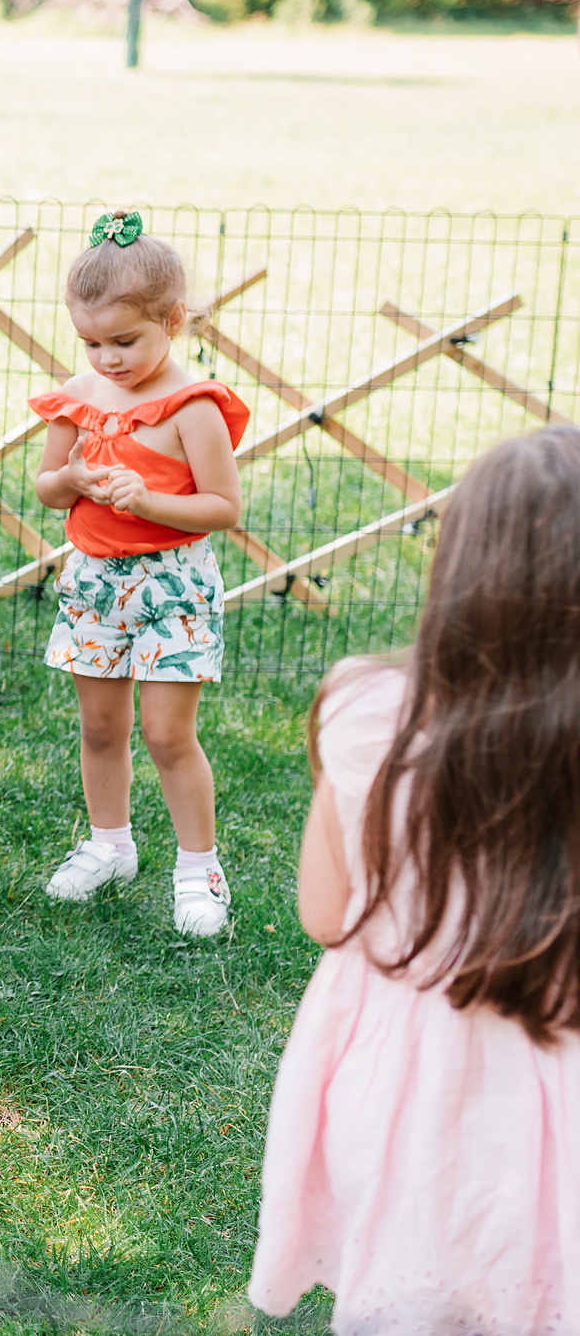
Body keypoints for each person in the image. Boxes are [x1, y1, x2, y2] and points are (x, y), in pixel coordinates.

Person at [251, 425, 580, 1331]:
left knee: (419, 1285)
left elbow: (325, 913)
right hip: (561, 1073)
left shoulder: (366, 710)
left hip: (406, 1081)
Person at [27, 212, 249, 937]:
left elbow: (223, 506)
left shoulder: (193, 407)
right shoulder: (80, 391)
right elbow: (47, 484)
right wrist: (78, 478)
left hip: (173, 585)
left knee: (165, 733)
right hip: (95, 579)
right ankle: (108, 844)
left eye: (125, 341)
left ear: (174, 320)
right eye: (91, 342)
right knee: (100, 724)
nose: (108, 358)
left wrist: (147, 497)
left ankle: (198, 868)